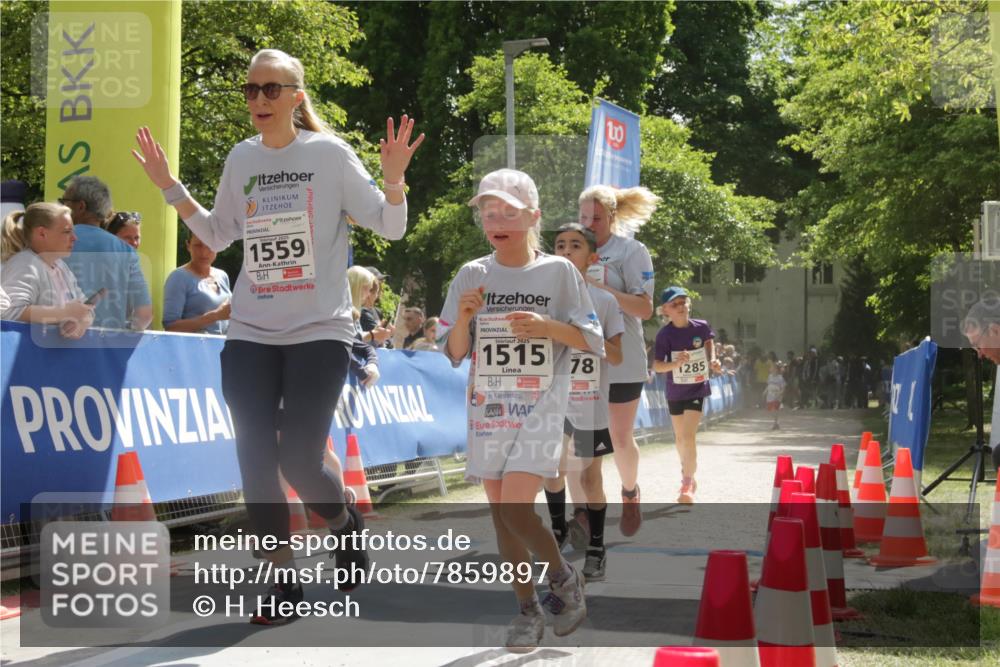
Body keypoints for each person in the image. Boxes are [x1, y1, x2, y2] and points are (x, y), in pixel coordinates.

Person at [131, 47, 423, 625]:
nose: (259, 99)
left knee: (299, 458)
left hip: (320, 330)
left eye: (272, 89)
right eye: (251, 90)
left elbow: (390, 226)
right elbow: (217, 231)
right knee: (255, 458)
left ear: (297, 95)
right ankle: (281, 580)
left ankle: (341, 520)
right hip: (250, 330)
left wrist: (394, 182)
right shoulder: (242, 158)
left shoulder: (330, 154)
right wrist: (168, 185)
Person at [439, 169, 603, 652]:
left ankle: (562, 576)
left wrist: (548, 326)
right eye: (489, 212)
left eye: (510, 211)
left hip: (540, 405)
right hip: (488, 407)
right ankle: (527, 611)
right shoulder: (472, 273)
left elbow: (591, 339)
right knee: (503, 516)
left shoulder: (558, 271)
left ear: (533, 217)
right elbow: (451, 351)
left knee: (516, 506)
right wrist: (465, 319)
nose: (497, 220)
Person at [543, 222, 624, 582]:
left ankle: (596, 546)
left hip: (589, 401)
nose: (565, 251)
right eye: (559, 245)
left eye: (574, 245)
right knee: (551, 468)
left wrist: (584, 340)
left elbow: (618, 356)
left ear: (591, 257)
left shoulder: (605, 301)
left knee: (591, 478)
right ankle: (558, 531)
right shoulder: (545, 299)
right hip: (553, 400)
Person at [577, 184, 659, 536]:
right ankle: (584, 511)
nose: (589, 224)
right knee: (583, 438)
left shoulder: (632, 250)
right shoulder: (572, 246)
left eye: (596, 218)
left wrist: (604, 292)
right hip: (582, 357)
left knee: (620, 438)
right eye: (584, 217)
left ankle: (630, 492)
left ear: (611, 216)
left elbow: (644, 308)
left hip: (622, 357)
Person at [652, 286, 722, 504]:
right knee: (680, 438)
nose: (681, 307)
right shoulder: (665, 335)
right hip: (675, 391)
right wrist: (675, 363)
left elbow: (709, 343)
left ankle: (687, 482)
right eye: (675, 304)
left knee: (689, 436)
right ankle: (687, 469)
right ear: (665, 311)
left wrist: (713, 360)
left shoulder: (700, 327)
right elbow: (657, 366)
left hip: (696, 388)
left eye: (683, 302)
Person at [60, 175, 153, 331]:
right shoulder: (127, 251)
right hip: (108, 346)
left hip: (58, 340)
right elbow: (144, 314)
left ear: (81, 206)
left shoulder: (53, 240)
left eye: (65, 203)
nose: (62, 207)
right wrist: (124, 330)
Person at [1, 202, 94, 338]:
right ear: (42, 233)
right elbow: (9, 313)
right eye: (67, 231)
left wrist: (82, 322)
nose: (74, 238)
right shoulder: (25, 264)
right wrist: (64, 313)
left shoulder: (61, 266)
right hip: (30, 357)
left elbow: (85, 308)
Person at [162, 232, 232, 334]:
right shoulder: (178, 277)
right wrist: (215, 315)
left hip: (223, 347)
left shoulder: (222, 276)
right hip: (194, 347)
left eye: (209, 245)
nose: (203, 252)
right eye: (198, 245)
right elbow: (170, 327)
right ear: (188, 245)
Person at [766, 361, 786, 430]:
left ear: (776, 369)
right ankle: (776, 422)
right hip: (769, 396)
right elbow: (768, 385)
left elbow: (783, 387)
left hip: (777, 396)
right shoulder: (770, 376)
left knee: (775, 409)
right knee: (771, 410)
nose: (770, 368)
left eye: (772, 367)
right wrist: (765, 391)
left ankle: (775, 423)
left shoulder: (780, 378)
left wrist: (780, 394)